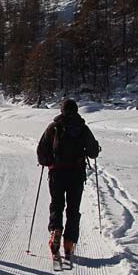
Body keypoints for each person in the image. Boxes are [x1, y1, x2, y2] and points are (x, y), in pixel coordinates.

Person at [36, 99, 100, 260]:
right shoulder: (83, 128)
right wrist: (96, 148)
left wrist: (48, 163)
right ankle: (69, 243)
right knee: (73, 209)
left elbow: (42, 149)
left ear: (62, 110)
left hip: (57, 173)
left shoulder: (54, 127)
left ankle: (55, 231)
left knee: (56, 204)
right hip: (76, 173)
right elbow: (92, 152)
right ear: (77, 110)